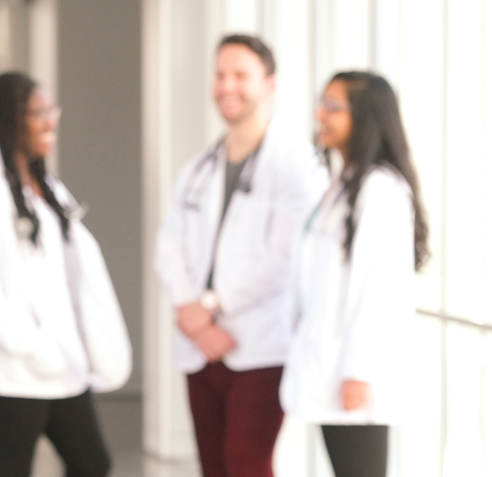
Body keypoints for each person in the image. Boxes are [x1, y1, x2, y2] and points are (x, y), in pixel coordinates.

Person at [154, 34, 327, 477]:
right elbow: (169, 243)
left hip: (260, 343)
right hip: (199, 344)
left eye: (240, 76)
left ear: (269, 84)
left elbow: (284, 255)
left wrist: (210, 306)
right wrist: (190, 311)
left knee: (246, 464)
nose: (227, 86)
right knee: (213, 465)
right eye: (220, 75)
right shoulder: (198, 168)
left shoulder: (295, 164)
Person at [0, 71, 130, 477]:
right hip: (18, 369)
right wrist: (31, 343)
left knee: (93, 463)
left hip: (63, 363)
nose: (50, 121)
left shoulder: (43, 182)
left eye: (50, 110)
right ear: (9, 120)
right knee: (13, 468)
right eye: (38, 113)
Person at [280, 71, 429, 477]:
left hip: (356, 373)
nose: (321, 114)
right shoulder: (344, 185)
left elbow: (377, 289)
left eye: (333, 106)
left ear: (365, 117)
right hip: (328, 365)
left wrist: (360, 370)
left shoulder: (380, 190)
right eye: (321, 103)